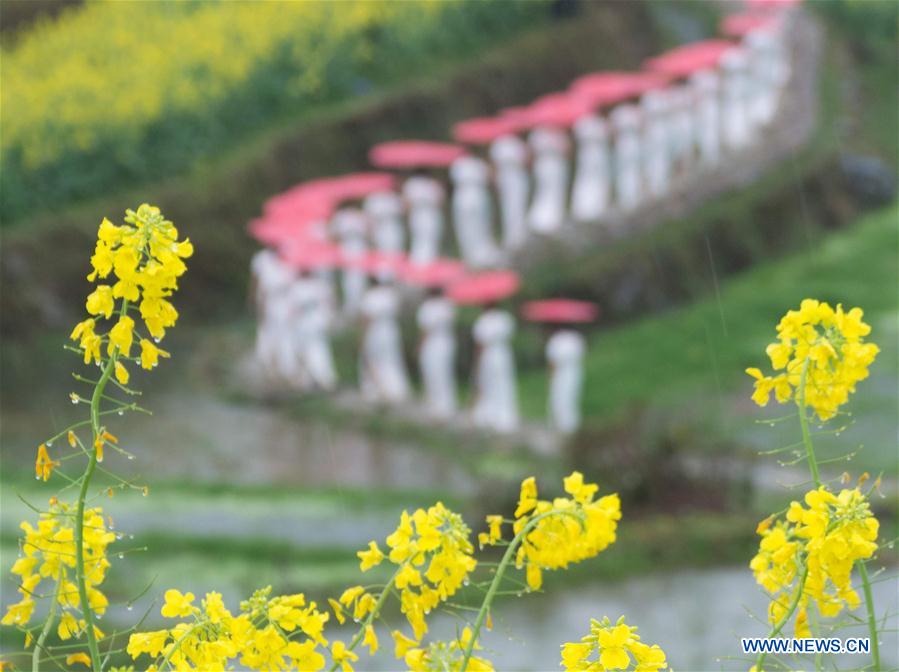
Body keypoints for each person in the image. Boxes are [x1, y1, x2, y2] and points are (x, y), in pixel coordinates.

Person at [359, 281, 410, 403]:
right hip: (390, 330)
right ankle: (396, 389)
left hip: (375, 331)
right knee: (391, 359)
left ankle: (376, 389)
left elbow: (367, 318)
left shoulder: (370, 296)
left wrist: (362, 336)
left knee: (373, 359)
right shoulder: (391, 295)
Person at [472, 305, 519, 432]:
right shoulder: (505, 318)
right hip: (503, 353)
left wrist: (477, 360)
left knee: (488, 383)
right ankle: (505, 416)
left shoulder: (483, 321)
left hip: (489, 354)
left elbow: (479, 343)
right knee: (503, 383)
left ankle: (491, 414)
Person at [289, 267, 337, 391]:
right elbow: (330, 302)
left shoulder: (298, 286)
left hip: (307, 323)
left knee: (312, 350)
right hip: (317, 322)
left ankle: (319, 378)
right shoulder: (321, 285)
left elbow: (294, 307)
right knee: (318, 349)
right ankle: (319, 378)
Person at [250, 248, 295, 380]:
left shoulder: (287, 263)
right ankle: (266, 361)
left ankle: (285, 366)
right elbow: (260, 286)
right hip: (270, 303)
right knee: (266, 331)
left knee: (285, 334)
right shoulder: (264, 262)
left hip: (284, 303)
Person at [451, 156, 501, 268]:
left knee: (473, 226)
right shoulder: (478, 164)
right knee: (476, 225)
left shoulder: (459, 164)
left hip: (467, 195)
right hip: (475, 195)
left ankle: (477, 256)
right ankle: (477, 256)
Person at [416, 288, 457, 418]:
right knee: (444, 372)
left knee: (433, 372)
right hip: (446, 342)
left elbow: (425, 330)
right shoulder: (448, 305)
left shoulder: (428, 307)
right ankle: (447, 403)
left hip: (433, 344)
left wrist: (419, 346)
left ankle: (437, 405)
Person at [489, 134, 530, 249]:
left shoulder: (508, 144)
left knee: (516, 204)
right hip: (509, 178)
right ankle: (513, 236)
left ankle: (518, 234)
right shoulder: (503, 144)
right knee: (510, 206)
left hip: (515, 177)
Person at [546, 329, 586, 434]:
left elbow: (552, 361)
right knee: (568, 397)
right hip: (572, 371)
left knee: (561, 397)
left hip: (563, 372)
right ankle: (568, 424)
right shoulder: (576, 338)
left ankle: (564, 425)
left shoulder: (555, 340)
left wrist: (551, 374)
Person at [333, 208, 368, 316]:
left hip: (359, 247)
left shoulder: (359, 216)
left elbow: (368, 231)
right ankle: (351, 304)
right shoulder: (341, 217)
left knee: (359, 276)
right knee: (349, 277)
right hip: (346, 248)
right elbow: (335, 235)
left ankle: (361, 303)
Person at [404, 176, 445, 265]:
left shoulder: (411, 184)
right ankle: (425, 264)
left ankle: (421, 264)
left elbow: (407, 204)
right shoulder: (432, 184)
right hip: (427, 214)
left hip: (419, 215)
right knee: (428, 240)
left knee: (420, 241)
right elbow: (440, 201)